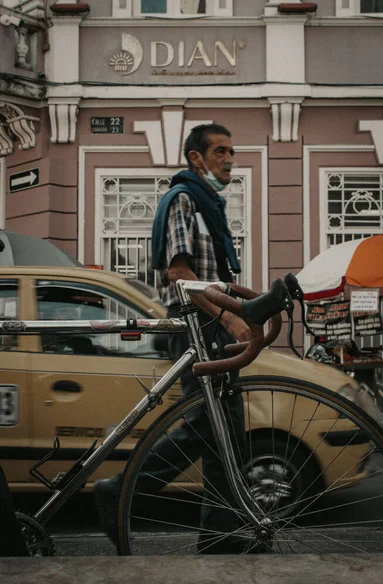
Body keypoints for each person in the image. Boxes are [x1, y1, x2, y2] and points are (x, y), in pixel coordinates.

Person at [94, 123, 268, 554]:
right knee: (205, 426)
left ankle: (219, 531)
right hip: (198, 324)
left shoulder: (209, 204)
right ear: (196, 158)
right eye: (220, 151)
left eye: (232, 151)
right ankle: (119, 491)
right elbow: (179, 274)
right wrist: (230, 321)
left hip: (212, 324)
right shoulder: (184, 200)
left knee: (226, 431)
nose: (229, 159)